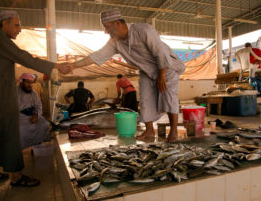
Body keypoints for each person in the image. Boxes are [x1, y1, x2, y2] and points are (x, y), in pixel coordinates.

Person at [0, 10, 71, 187]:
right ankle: (16, 176)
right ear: (4, 24)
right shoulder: (0, 41)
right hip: (2, 97)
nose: (19, 29)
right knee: (11, 134)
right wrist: (56, 65)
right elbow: (25, 57)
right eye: (16, 25)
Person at [63, 9, 185, 142]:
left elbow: (160, 52)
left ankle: (173, 132)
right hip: (146, 71)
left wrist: (162, 75)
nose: (106, 31)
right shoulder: (115, 42)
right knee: (145, 98)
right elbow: (97, 56)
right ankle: (149, 131)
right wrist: (73, 66)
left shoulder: (143, 30)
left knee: (168, 96)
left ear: (117, 23)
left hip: (166, 66)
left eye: (107, 27)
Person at [17, 73, 50, 150]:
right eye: (27, 82)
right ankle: (24, 150)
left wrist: (36, 115)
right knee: (21, 130)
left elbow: (39, 106)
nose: (30, 85)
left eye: (31, 82)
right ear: (22, 82)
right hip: (21, 117)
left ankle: (39, 147)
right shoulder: (15, 93)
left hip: (34, 115)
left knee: (45, 124)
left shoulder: (33, 93)